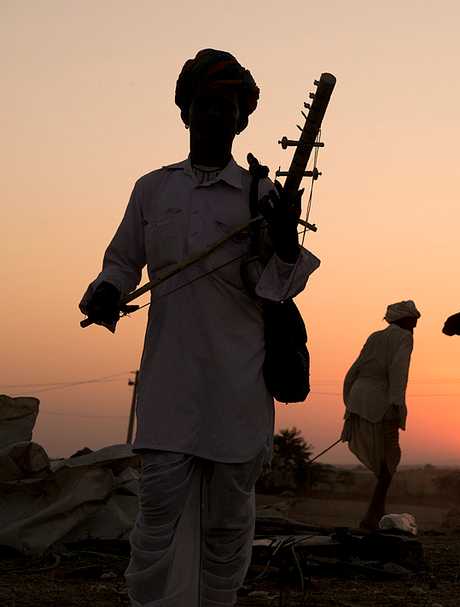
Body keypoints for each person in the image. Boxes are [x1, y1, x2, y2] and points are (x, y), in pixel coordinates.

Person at [79, 49, 320, 606]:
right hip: (169, 383)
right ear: (185, 112)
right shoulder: (152, 189)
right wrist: (108, 290)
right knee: (157, 518)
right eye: (205, 105)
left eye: (227, 107)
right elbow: (121, 260)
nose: (215, 116)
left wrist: (283, 240)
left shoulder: (263, 196)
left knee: (229, 526)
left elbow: (280, 285)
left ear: (242, 118)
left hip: (240, 384)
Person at [341, 300, 420, 529]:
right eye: (413, 317)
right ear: (403, 319)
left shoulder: (375, 336)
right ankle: (372, 517)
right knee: (390, 459)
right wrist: (397, 404)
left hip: (359, 398)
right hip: (382, 401)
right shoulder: (404, 337)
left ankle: (376, 512)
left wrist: (350, 402)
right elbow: (398, 371)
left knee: (385, 459)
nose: (416, 321)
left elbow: (353, 370)